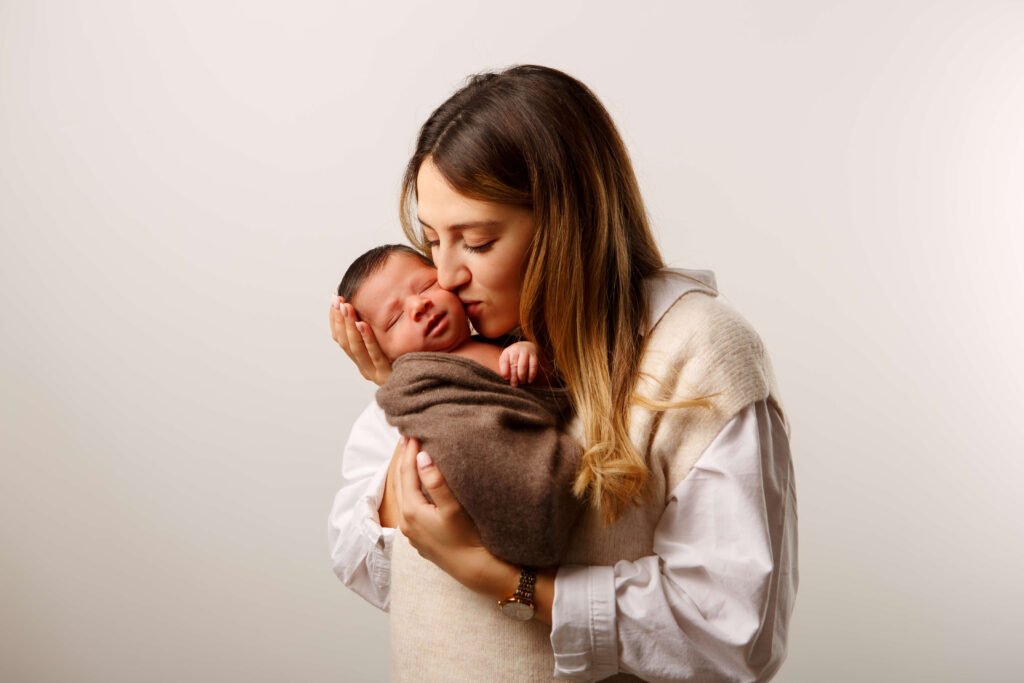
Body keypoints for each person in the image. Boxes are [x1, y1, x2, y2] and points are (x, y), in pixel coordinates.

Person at [327, 65, 797, 681]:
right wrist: (413, 398)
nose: (443, 277)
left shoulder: (700, 352)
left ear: (565, 223)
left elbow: (735, 636)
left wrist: (507, 581)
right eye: (432, 240)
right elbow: (363, 559)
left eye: (477, 241)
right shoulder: (449, 355)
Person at [337, 243, 584, 566]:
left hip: (538, 462)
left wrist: (530, 354)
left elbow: (557, 391)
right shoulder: (414, 386)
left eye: (426, 285)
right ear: (378, 349)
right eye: (395, 318)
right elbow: (349, 556)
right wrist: (394, 382)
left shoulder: (502, 339)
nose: (419, 305)